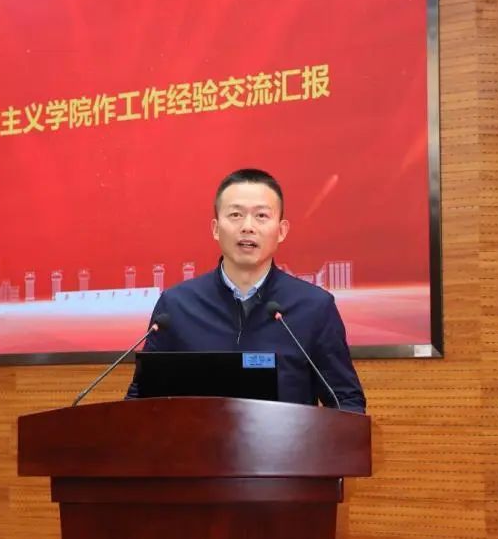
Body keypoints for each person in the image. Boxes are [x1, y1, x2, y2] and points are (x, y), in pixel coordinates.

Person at [126, 168, 366, 413]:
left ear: (281, 231)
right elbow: (141, 398)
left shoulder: (314, 307)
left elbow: (346, 401)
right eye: (236, 215)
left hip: (286, 439)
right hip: (197, 438)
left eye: (261, 215)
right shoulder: (176, 305)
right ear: (215, 228)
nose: (247, 227)